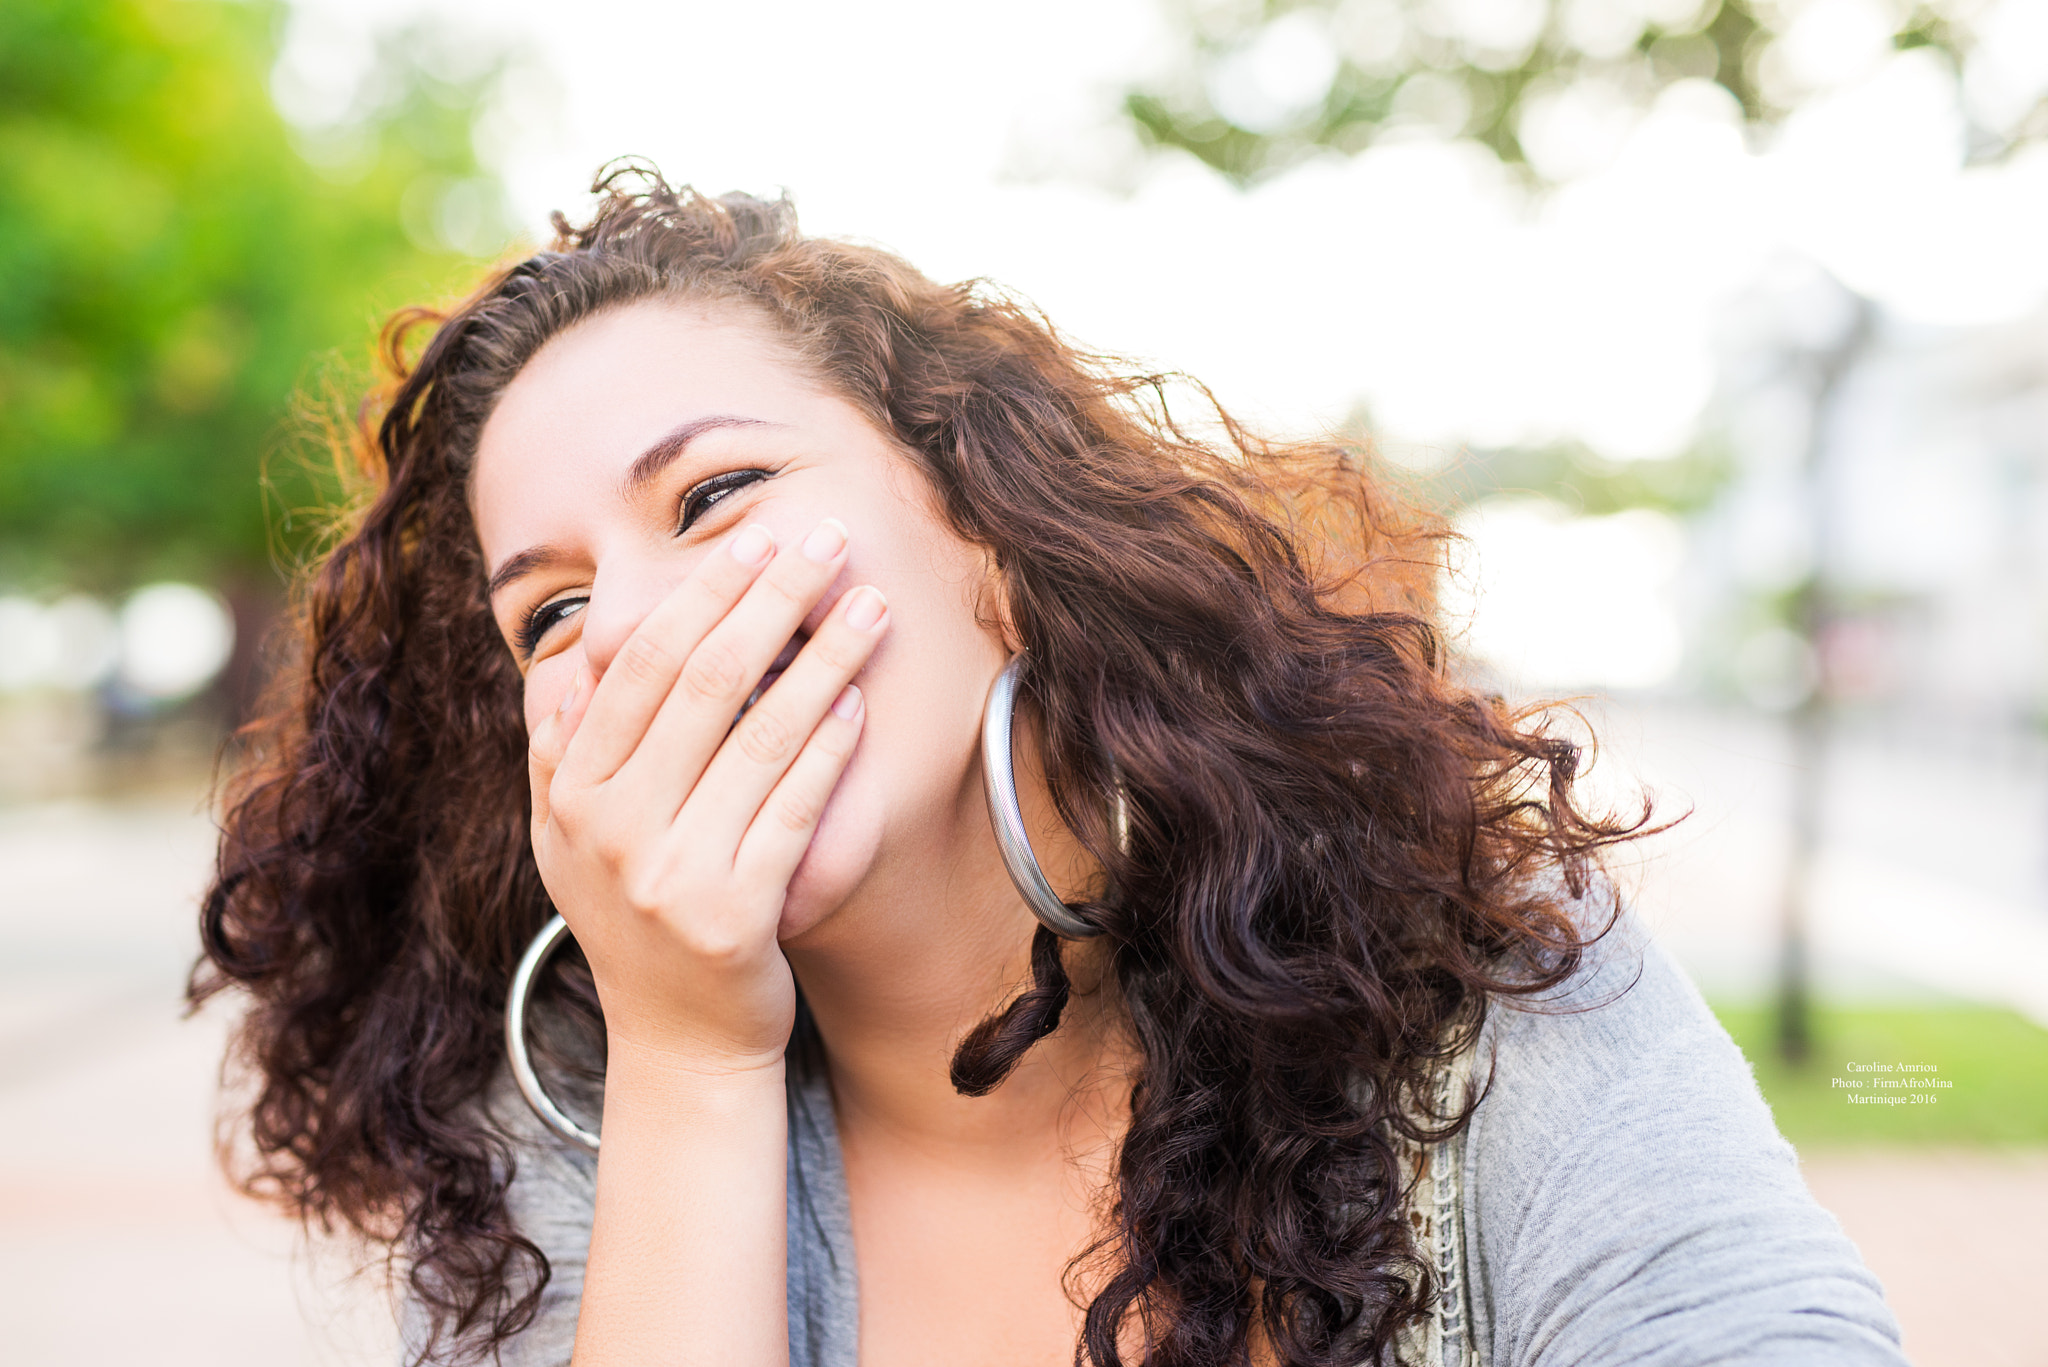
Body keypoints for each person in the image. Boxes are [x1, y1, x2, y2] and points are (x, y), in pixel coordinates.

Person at [191, 164, 1908, 1367]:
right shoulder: (570, 1119)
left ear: (994, 542)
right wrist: (693, 1060)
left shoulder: (1469, 969)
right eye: (550, 614)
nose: (632, 631)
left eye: (714, 499)